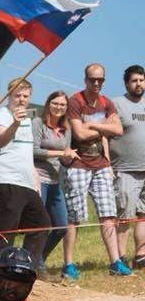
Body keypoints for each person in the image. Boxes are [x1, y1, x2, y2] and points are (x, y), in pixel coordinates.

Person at [62, 63, 128, 279]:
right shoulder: (75, 101)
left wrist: (92, 126)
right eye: (93, 79)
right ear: (85, 80)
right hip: (79, 163)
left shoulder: (106, 102)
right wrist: (102, 128)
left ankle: (115, 261)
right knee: (74, 216)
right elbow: (79, 135)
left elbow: (118, 129)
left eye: (101, 80)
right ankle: (69, 264)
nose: (97, 83)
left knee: (108, 213)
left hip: (101, 164)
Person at [0, 78, 49, 269]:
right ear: (8, 96)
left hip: (27, 182)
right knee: (7, 231)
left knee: (42, 224)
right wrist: (15, 124)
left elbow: (26, 153)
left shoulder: (28, 118)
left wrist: (35, 177)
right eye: (17, 95)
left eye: (25, 96)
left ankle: (24, 266)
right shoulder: (2, 115)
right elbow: (0, 141)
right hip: (6, 179)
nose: (21, 99)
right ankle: (0, 269)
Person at [32, 91, 77, 273]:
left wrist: (68, 157)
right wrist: (60, 153)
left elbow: (65, 158)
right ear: (48, 104)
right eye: (55, 103)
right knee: (40, 225)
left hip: (55, 181)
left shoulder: (66, 129)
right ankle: (35, 263)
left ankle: (39, 257)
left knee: (61, 226)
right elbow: (34, 151)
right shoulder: (38, 124)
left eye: (63, 105)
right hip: (39, 178)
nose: (59, 107)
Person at [110, 64, 145, 268]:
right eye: (134, 80)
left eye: (141, 80)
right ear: (126, 83)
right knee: (124, 215)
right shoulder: (116, 104)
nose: (138, 84)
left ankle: (141, 255)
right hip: (125, 169)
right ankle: (120, 258)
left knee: (143, 215)